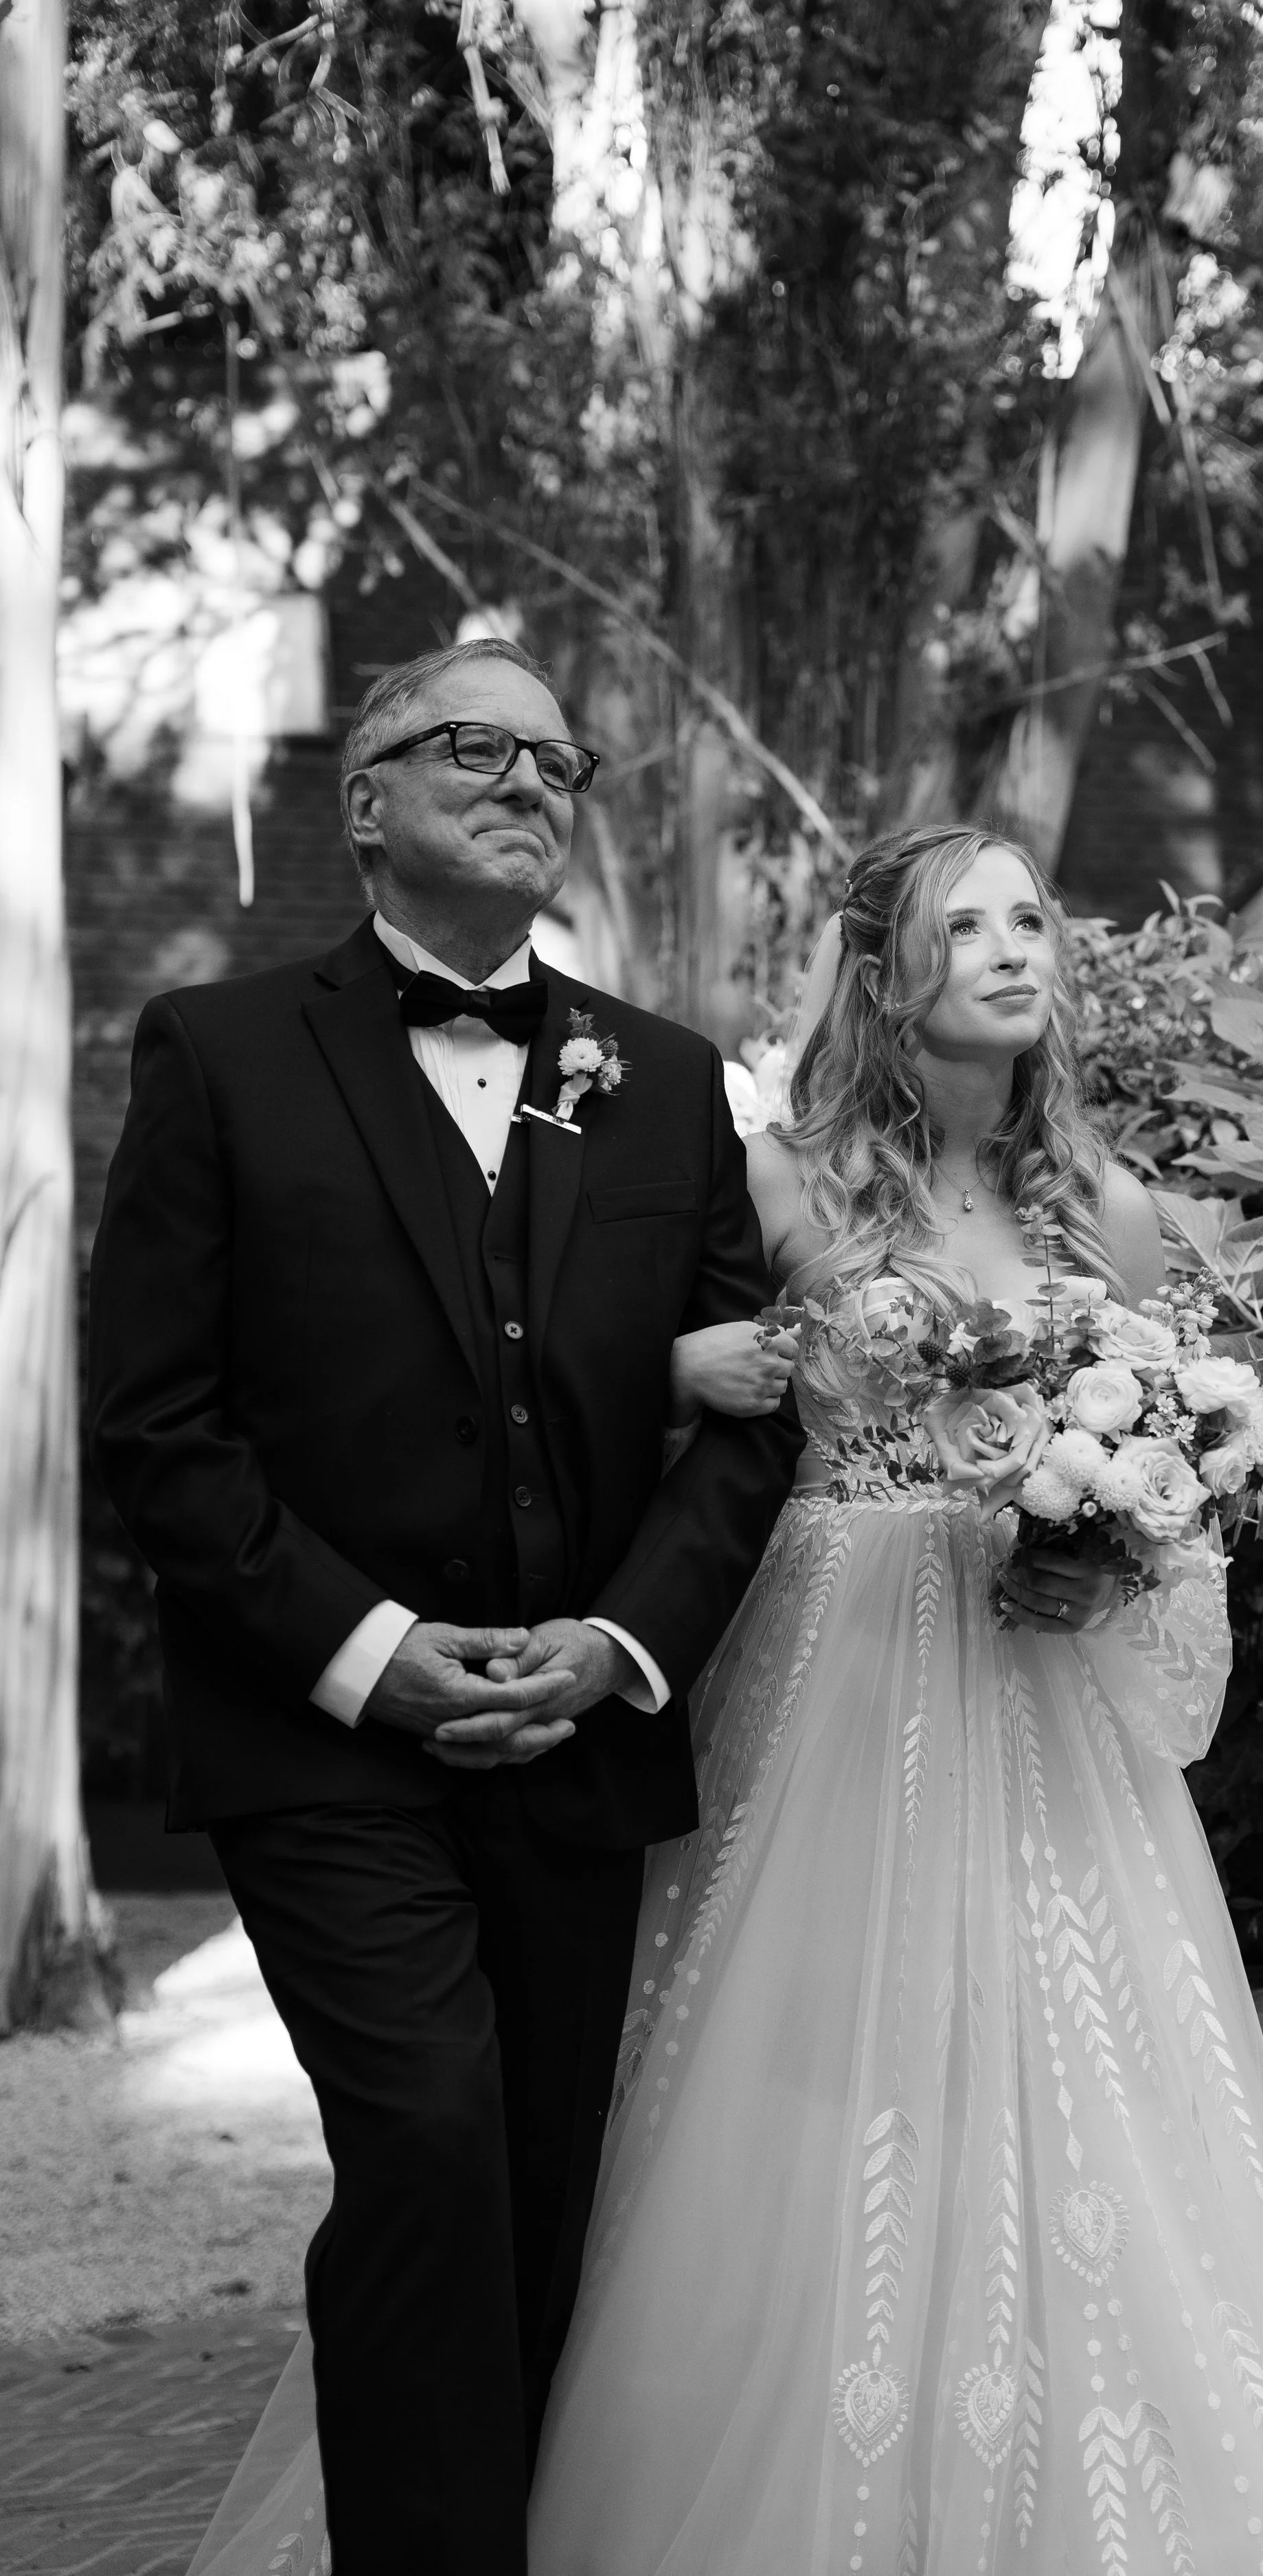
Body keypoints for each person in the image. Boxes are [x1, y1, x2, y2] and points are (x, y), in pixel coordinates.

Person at [525, 826, 1263, 2573]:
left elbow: (1173, 1487)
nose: (1012, 950)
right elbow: (631, 1413)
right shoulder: (771, 1181)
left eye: (1030, 921)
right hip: (838, 1671)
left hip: (1041, 1692)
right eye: (964, 925)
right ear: (879, 970)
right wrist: (674, 1368)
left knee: (1090, 2098)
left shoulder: (1117, 1209)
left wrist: (1121, 1548)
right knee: (810, 2087)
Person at [86, 636, 803, 2576]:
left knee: (548, 2203)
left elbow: (745, 1411)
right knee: (425, 2135)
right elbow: (160, 1425)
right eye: (466, 742)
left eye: (555, 756)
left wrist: (622, 1641)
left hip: (581, 1732)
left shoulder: (660, 1083)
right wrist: (369, 1652)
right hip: (321, 1736)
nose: (524, 775)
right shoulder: (217, 1051)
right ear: (366, 797)